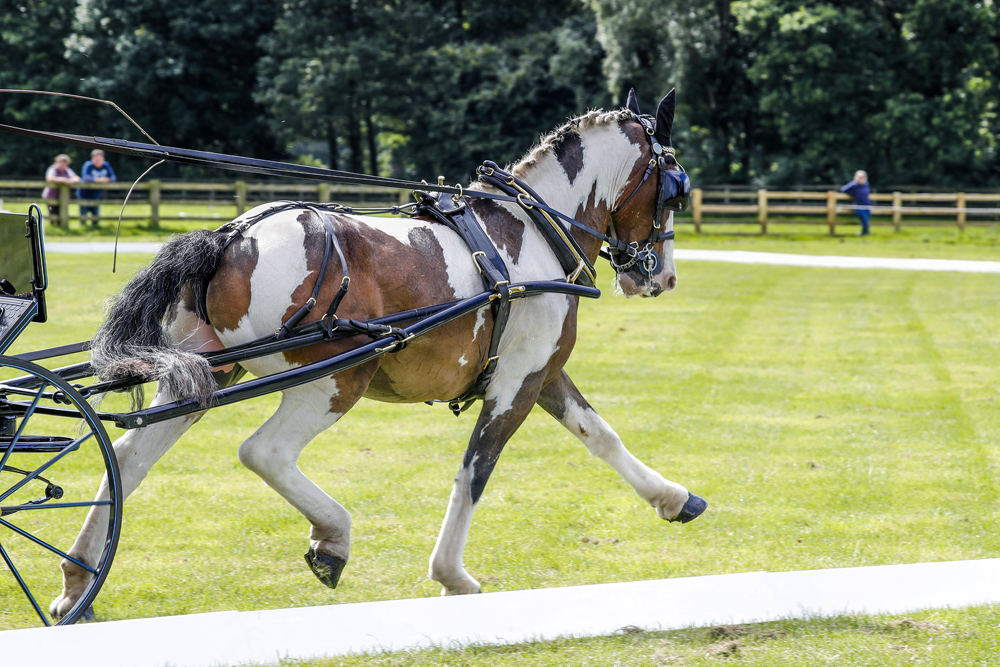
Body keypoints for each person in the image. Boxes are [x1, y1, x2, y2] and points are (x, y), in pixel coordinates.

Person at [77, 149, 117, 225]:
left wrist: (106, 179)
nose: (98, 161)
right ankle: (82, 227)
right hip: (84, 193)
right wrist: (98, 180)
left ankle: (95, 227)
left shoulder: (106, 165)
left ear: (103, 159)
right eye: (96, 159)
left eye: (99, 159)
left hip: (96, 193)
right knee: (83, 214)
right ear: (92, 159)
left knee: (95, 214)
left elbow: (113, 178)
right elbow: (86, 178)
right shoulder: (88, 165)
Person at [41, 154, 80, 224]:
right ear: (58, 162)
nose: (64, 164)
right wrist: (62, 180)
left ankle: (59, 226)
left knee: (60, 213)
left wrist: (71, 181)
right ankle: (53, 226)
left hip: (62, 197)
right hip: (50, 196)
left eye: (65, 163)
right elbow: (49, 178)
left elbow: (77, 178)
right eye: (62, 162)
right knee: (52, 213)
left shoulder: (67, 170)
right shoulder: (53, 169)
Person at [840, 170, 872, 236]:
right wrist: (852, 194)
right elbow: (843, 189)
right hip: (859, 205)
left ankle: (865, 232)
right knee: (864, 219)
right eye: (860, 177)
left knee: (866, 220)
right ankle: (865, 233)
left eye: (863, 177)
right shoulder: (854, 184)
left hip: (867, 205)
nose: (862, 178)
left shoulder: (866, 184)